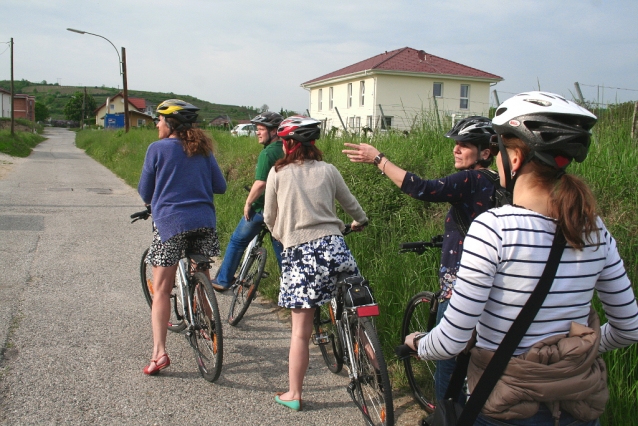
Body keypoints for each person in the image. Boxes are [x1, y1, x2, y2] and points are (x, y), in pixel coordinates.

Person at [405, 91, 638, 425]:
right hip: (578, 408)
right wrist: (566, 359)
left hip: (505, 408)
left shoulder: (494, 228)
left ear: (513, 159)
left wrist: (417, 343)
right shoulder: (593, 228)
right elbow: (629, 328)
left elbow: (453, 340)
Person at [343, 116, 500, 403]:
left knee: (448, 361)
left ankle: (444, 416)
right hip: (494, 286)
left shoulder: (471, 178)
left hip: (461, 286)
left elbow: (422, 188)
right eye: (456, 144)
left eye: (464, 145)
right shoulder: (499, 183)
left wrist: (378, 158)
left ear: (485, 153)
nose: (455, 149)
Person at [263, 116, 368, 411]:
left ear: (288, 144)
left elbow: (269, 216)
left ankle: (294, 394)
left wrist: (286, 237)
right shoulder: (328, 170)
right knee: (357, 311)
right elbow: (351, 204)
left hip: (300, 255)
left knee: (300, 331)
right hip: (335, 247)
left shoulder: (278, 173)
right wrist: (360, 221)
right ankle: (376, 367)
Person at [138, 99, 227, 375]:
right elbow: (220, 187)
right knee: (199, 272)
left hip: (171, 224)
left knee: (162, 289)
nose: (156, 124)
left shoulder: (157, 149)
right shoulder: (203, 150)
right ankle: (209, 329)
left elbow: (144, 191)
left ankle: (159, 354)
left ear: (170, 124)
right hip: (204, 223)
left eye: (159, 120)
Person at [212, 111, 285, 291]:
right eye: (257, 129)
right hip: (282, 211)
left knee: (237, 241)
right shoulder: (286, 149)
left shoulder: (268, 153)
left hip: (262, 209)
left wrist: (249, 203)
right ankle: (293, 292)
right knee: (283, 254)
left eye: (261, 129)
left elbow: (261, 183)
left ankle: (223, 280)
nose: (257, 133)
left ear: (274, 131)